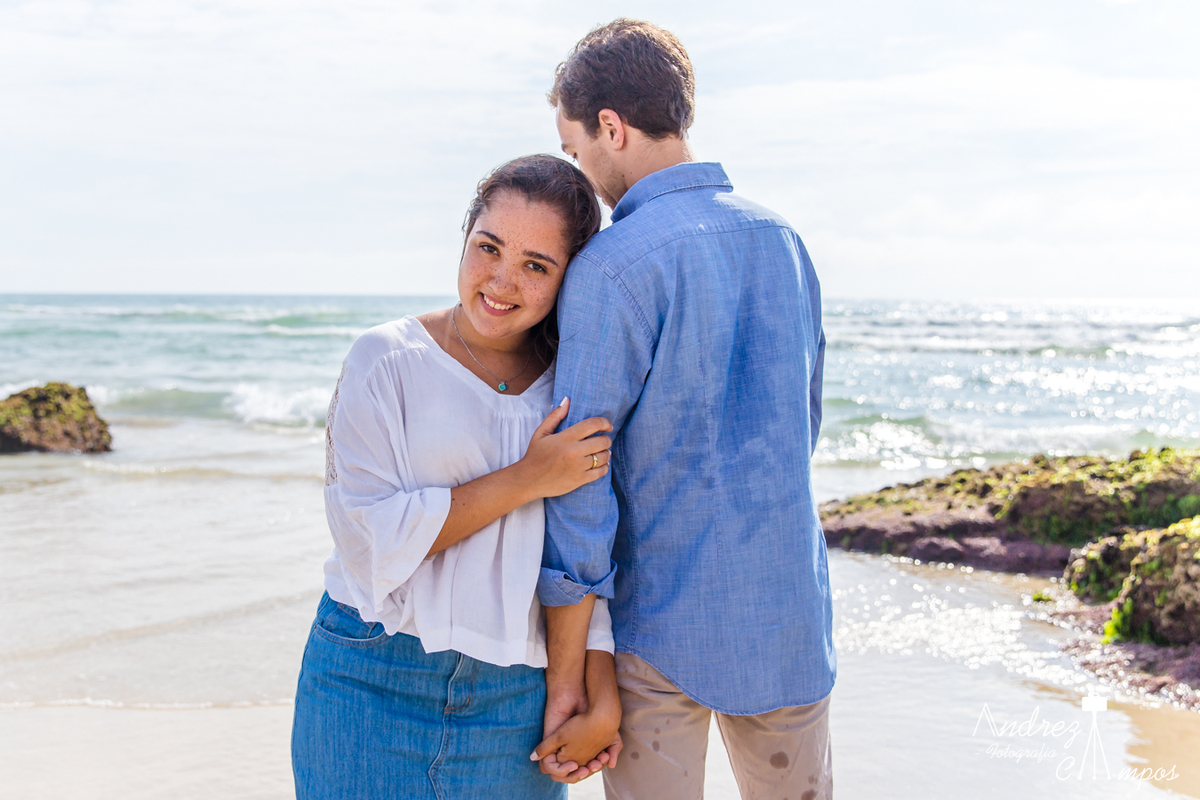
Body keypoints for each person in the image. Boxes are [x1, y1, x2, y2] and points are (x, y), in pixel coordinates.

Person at [530, 20, 837, 799]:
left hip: (659, 628)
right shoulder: (785, 239)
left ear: (611, 125)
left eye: (578, 149)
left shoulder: (609, 267)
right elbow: (802, 427)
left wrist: (573, 654)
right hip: (788, 616)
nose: (585, 171)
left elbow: (581, 471)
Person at [291, 155, 622, 800]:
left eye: (536, 265)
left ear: (568, 281)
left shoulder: (575, 389)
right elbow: (368, 538)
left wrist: (596, 694)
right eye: (488, 248)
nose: (501, 281)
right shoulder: (385, 361)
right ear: (465, 239)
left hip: (518, 701)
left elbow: (588, 553)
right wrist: (529, 478)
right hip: (368, 677)